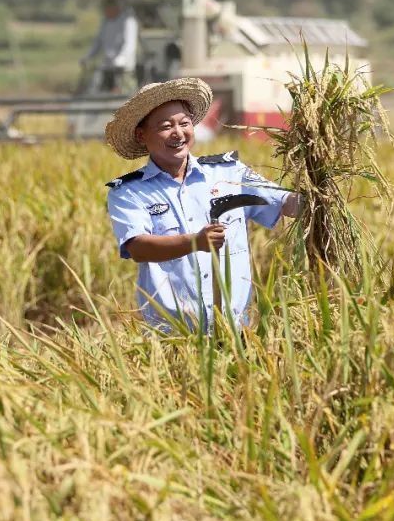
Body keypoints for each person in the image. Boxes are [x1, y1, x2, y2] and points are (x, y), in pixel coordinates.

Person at [104, 78, 304, 332]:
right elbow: (138, 248)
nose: (178, 133)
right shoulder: (130, 192)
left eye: (184, 123)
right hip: (172, 334)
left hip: (236, 330)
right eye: (166, 126)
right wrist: (195, 243)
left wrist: (318, 179)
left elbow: (286, 202)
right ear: (141, 135)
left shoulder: (229, 173)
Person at [81, 0, 139, 94]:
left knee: (125, 96)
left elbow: (130, 45)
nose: (106, 11)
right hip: (107, 66)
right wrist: (88, 57)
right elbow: (98, 42)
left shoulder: (128, 21)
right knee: (98, 90)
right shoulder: (105, 22)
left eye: (108, 8)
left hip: (123, 68)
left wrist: (122, 59)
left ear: (116, 7)